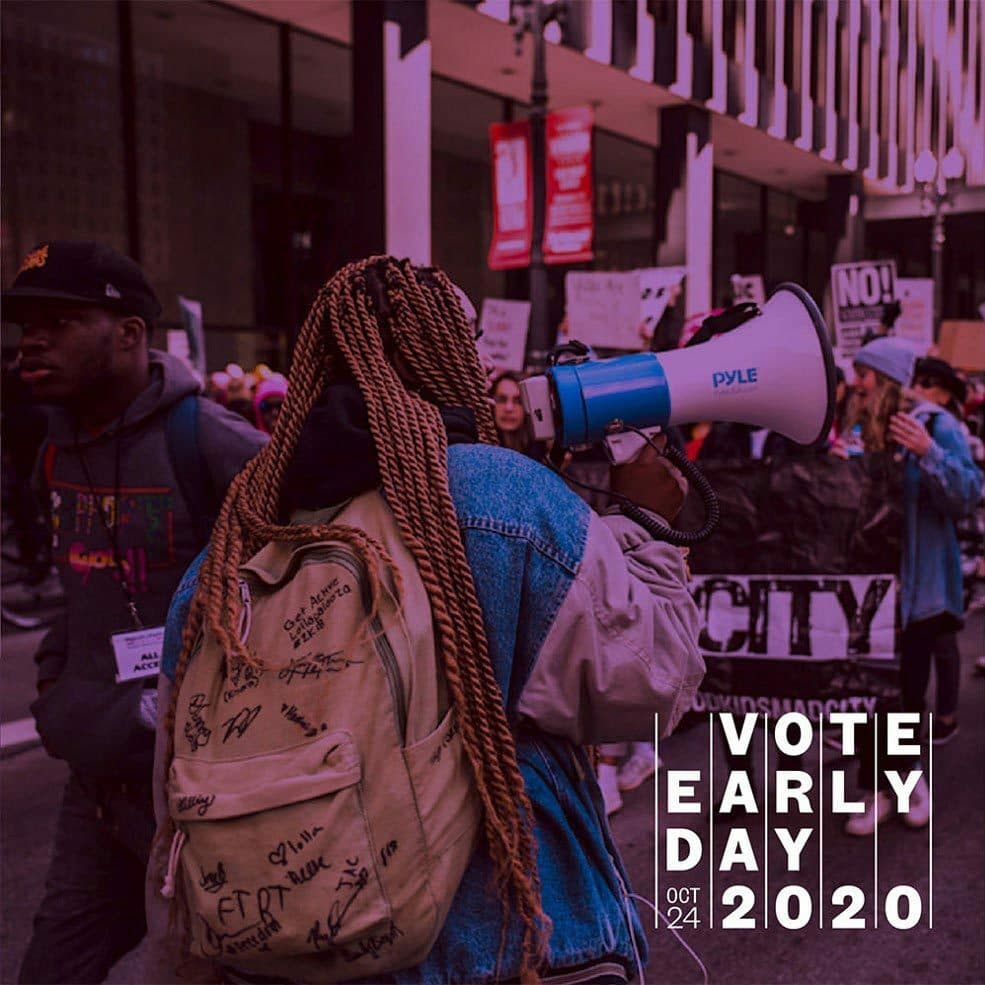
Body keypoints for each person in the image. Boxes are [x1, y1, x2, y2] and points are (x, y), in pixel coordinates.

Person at [148, 256, 704, 984]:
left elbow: (174, 794)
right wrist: (650, 527)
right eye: (468, 344)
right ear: (449, 356)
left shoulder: (230, 549)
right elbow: (653, 686)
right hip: (515, 953)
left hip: (283, 957)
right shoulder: (506, 500)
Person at [3, 240, 268, 984]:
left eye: (59, 321)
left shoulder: (213, 442)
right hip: (96, 791)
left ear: (128, 334)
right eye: (26, 324)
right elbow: (77, 593)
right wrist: (60, 687)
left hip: (206, 793)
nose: (32, 341)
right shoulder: (54, 451)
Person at [832, 337, 980, 834]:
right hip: (867, 589)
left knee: (906, 692)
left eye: (865, 374)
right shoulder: (859, 429)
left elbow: (968, 495)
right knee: (866, 693)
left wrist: (928, 453)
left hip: (919, 590)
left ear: (889, 379)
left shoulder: (937, 427)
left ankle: (904, 781)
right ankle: (883, 786)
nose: (857, 384)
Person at [489, 369, 546, 459]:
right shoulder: (480, 446)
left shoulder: (543, 453)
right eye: (501, 399)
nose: (509, 408)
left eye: (518, 401)